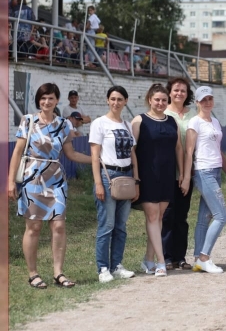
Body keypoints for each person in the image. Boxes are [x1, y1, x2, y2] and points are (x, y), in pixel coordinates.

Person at [7, 83, 92, 289]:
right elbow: (17, 152)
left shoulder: (63, 124)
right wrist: (10, 181)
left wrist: (95, 160)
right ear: (39, 100)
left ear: (56, 101)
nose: (46, 102)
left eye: (51, 98)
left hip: (56, 178)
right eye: (43, 98)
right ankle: (33, 273)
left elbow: (71, 154)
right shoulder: (28, 120)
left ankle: (58, 273)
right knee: (33, 227)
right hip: (32, 178)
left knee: (59, 225)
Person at [132, 84, 184, 277]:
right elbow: (132, 151)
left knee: (159, 218)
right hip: (147, 175)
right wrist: (136, 177)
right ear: (149, 100)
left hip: (167, 175)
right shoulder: (139, 121)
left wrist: (182, 174)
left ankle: (148, 259)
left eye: (164, 100)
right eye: (157, 100)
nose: (161, 103)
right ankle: (161, 262)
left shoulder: (172, 121)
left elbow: (179, 148)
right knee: (153, 217)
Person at [89, 85, 138, 283]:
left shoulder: (127, 125)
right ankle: (103, 268)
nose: (116, 102)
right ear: (107, 100)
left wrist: (137, 180)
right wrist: (98, 183)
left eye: (120, 99)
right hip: (108, 176)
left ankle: (116, 265)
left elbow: (133, 154)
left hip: (127, 177)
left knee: (121, 226)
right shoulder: (99, 123)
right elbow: (94, 156)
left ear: (125, 101)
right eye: (113, 99)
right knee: (106, 225)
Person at [182, 86, 226, 274]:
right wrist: (187, 177)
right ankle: (204, 257)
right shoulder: (195, 122)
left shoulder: (215, 122)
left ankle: (197, 258)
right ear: (197, 102)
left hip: (216, 170)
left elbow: (218, 150)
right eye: (203, 99)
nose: (207, 102)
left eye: (209, 98)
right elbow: (188, 151)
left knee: (205, 217)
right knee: (221, 215)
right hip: (203, 171)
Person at [162, 78, 196, 271]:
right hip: (168, 173)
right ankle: (165, 256)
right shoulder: (163, 113)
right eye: (176, 90)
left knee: (181, 217)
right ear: (169, 92)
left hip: (187, 173)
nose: (179, 94)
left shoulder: (193, 115)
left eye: (183, 90)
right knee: (167, 216)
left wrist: (186, 176)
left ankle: (180, 257)